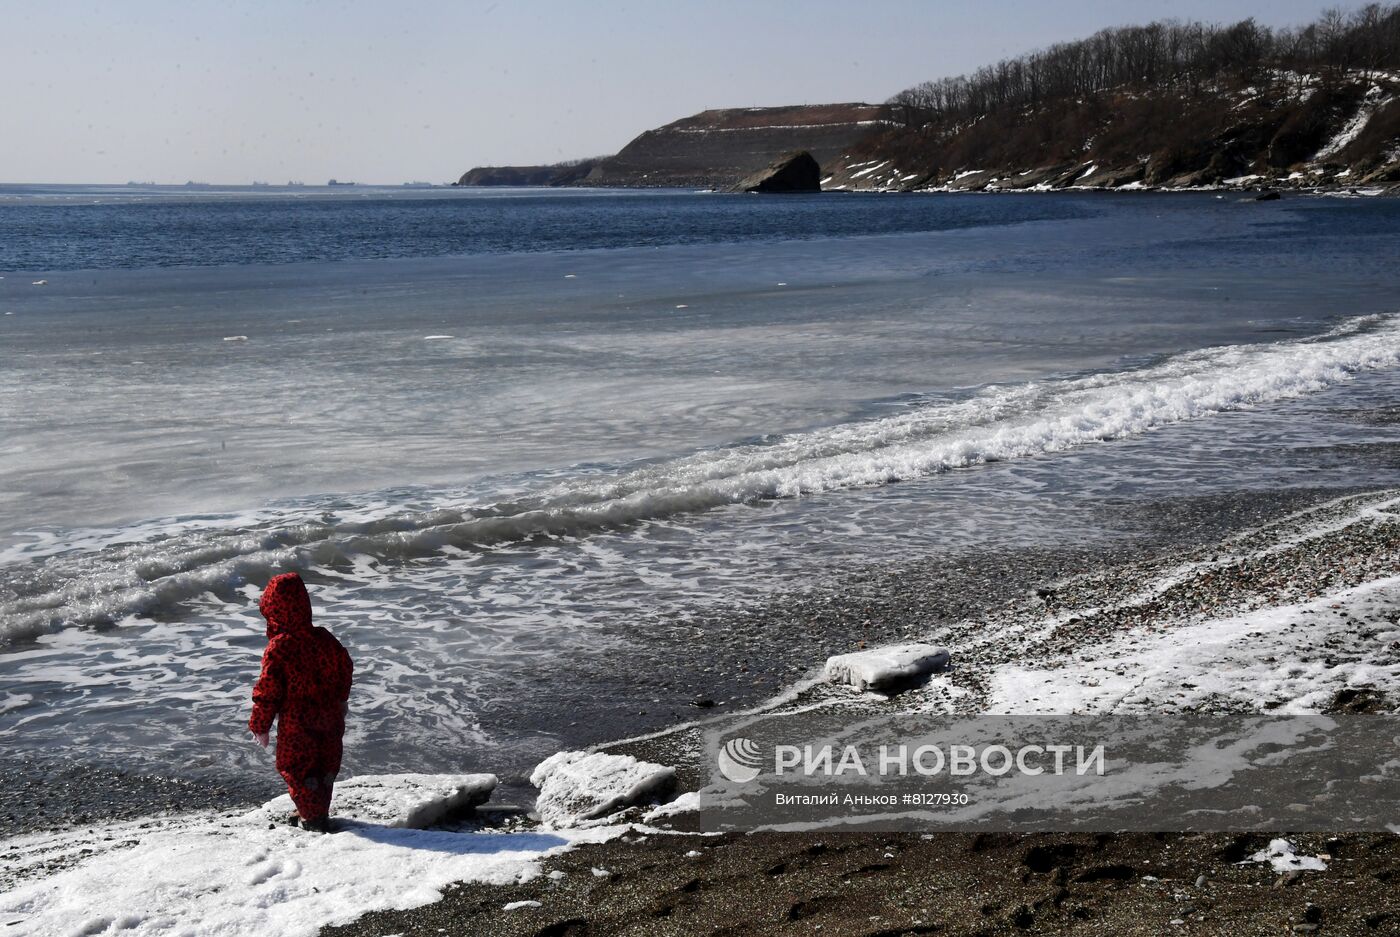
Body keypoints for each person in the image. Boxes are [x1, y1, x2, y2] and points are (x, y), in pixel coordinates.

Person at [248, 571, 353, 832]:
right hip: (330, 717)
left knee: (297, 768)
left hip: (298, 725)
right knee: (325, 765)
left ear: (272, 611)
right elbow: (345, 666)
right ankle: (316, 811)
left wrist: (260, 725)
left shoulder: (279, 647)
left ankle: (312, 819)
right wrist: (340, 700)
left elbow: (267, 691)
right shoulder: (324, 638)